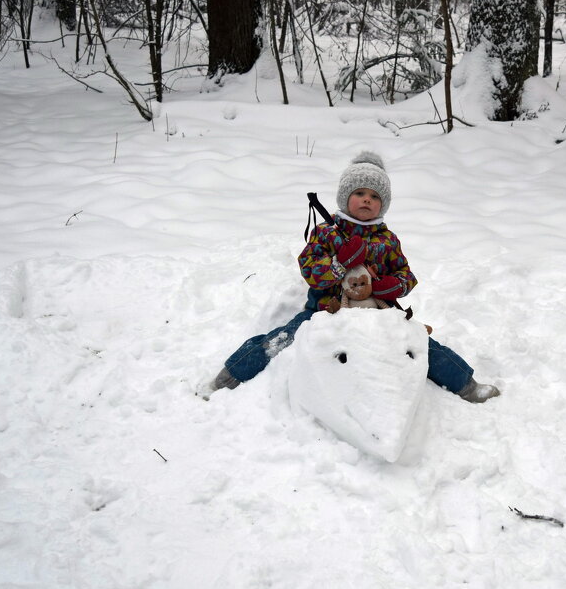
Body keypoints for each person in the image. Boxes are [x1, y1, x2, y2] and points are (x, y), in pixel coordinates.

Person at [204, 151, 500, 403]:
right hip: (326, 310)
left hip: (379, 313)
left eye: (374, 196)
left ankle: (465, 384)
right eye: (359, 193)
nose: (366, 200)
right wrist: (338, 264)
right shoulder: (327, 233)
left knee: (421, 344)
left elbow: (407, 276)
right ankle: (232, 374)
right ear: (346, 197)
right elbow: (309, 270)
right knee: (283, 337)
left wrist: (390, 286)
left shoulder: (387, 239)